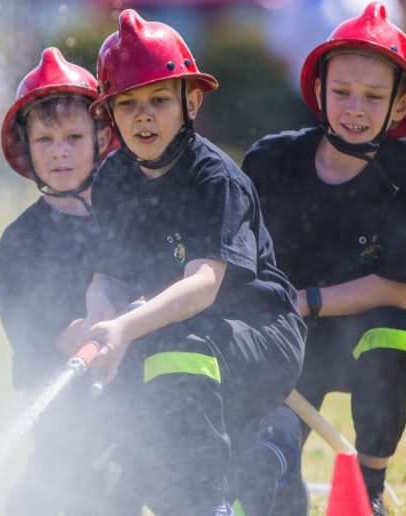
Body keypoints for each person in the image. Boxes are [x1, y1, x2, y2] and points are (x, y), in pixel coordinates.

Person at [78, 9, 306, 515]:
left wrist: (127, 328)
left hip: (260, 334)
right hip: (178, 333)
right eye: (128, 103)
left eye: (160, 100)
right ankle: (263, 463)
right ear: (109, 113)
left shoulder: (214, 179)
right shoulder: (115, 176)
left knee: (174, 353)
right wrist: (101, 321)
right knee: (138, 435)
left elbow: (204, 284)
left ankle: (207, 506)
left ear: (192, 101)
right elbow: (106, 276)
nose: (144, 116)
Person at [242, 3, 406, 514]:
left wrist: (304, 300)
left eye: (374, 97)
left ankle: (369, 484)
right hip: (281, 339)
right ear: (318, 92)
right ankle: (279, 465)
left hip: (357, 336)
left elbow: (398, 289)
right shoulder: (271, 161)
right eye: (342, 92)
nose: (355, 108)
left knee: (394, 333)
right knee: (266, 468)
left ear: (398, 107)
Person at [0, 47, 118, 516]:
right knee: (63, 487)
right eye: (44, 140)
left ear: (103, 136)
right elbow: (75, 341)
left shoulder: (132, 212)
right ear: (25, 148)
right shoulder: (18, 249)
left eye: (72, 136)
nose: (59, 151)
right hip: (70, 410)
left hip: (145, 382)